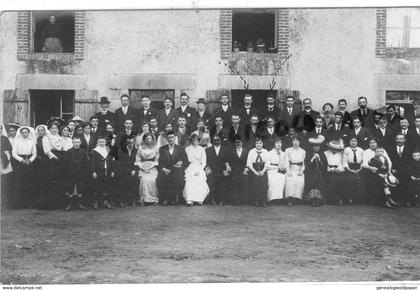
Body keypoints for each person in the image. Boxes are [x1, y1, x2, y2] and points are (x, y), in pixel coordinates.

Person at [157, 130, 189, 205]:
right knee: (161, 178)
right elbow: (160, 162)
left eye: (172, 137)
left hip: (176, 169)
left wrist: (181, 163)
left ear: (174, 138)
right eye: (169, 137)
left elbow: (185, 161)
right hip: (166, 169)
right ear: (166, 139)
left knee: (178, 178)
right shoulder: (162, 149)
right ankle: (165, 198)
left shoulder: (180, 148)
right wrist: (164, 169)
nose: (170, 139)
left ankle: (173, 198)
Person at [362, 138, 395, 207]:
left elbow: (389, 161)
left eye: (374, 142)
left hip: (384, 171)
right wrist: (371, 168)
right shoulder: (366, 152)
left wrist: (389, 171)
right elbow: (364, 164)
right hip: (372, 171)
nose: (372, 144)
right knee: (380, 182)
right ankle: (384, 201)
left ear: (377, 143)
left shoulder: (382, 150)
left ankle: (389, 199)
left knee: (390, 181)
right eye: (370, 143)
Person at [42, 122, 67, 209]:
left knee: (59, 179)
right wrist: (55, 157)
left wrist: (62, 158)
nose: (54, 130)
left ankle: (59, 203)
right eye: (52, 128)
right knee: (50, 179)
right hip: (50, 160)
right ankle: (50, 204)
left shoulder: (60, 138)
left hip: (60, 160)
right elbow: (47, 151)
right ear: (49, 129)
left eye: (56, 128)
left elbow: (63, 148)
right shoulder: (46, 137)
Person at [11, 126, 37, 208]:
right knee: (19, 182)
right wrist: (21, 160)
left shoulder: (32, 142)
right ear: (20, 133)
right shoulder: (17, 142)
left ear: (29, 133)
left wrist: (30, 160)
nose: (24, 134)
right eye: (23, 132)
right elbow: (14, 153)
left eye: (26, 132)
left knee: (29, 182)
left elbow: (34, 153)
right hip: (19, 163)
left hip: (29, 162)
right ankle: (19, 203)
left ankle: (29, 203)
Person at [63, 136, 89, 211]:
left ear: (80, 143)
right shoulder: (69, 151)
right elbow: (65, 162)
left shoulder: (83, 152)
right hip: (71, 173)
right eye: (75, 142)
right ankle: (70, 204)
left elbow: (86, 162)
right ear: (72, 142)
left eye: (78, 142)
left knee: (80, 187)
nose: (76, 144)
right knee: (70, 187)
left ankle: (80, 204)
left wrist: (84, 171)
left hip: (81, 173)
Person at [183, 133, 209, 205]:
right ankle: (190, 199)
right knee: (189, 180)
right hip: (190, 167)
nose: (195, 142)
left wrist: (199, 170)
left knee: (200, 179)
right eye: (193, 140)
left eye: (196, 140)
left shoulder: (201, 149)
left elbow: (204, 161)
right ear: (191, 140)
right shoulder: (187, 149)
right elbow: (185, 160)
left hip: (199, 167)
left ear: (198, 141)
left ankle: (199, 198)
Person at [90, 135, 115, 210]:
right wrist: (94, 171)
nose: (101, 143)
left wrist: (112, 171)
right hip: (98, 170)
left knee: (106, 185)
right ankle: (96, 202)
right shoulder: (95, 151)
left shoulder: (108, 149)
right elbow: (92, 162)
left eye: (103, 142)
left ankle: (105, 201)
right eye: (100, 142)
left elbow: (111, 161)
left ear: (105, 142)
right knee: (98, 185)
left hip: (107, 170)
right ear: (97, 142)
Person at [205, 135, 231, 205]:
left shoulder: (226, 150)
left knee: (224, 180)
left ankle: (221, 199)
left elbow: (228, 161)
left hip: (222, 170)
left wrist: (227, 168)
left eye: (218, 140)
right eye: (215, 140)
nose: (216, 141)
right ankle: (211, 199)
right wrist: (207, 167)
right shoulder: (207, 150)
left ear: (221, 141)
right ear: (212, 141)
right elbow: (205, 161)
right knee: (211, 179)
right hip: (212, 170)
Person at [388, 133, 412, 207]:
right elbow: (389, 160)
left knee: (406, 185)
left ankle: (407, 201)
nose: (399, 140)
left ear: (404, 140)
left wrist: (408, 171)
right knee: (396, 186)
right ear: (395, 140)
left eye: (401, 139)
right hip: (395, 171)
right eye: (398, 139)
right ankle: (397, 200)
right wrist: (392, 169)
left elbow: (411, 161)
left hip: (406, 171)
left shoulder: (409, 148)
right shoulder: (391, 148)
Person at [135, 133, 159, 205]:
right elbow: (138, 160)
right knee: (144, 179)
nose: (148, 140)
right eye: (146, 139)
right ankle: (144, 199)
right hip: (143, 166)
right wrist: (142, 167)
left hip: (152, 166)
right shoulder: (140, 148)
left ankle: (153, 199)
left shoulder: (156, 147)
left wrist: (151, 166)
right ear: (144, 140)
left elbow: (157, 160)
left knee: (152, 179)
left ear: (152, 139)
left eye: (150, 138)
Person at [115, 135, 139, 207]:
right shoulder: (121, 150)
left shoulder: (136, 151)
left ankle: (133, 199)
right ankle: (122, 200)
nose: (130, 144)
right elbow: (119, 162)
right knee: (121, 180)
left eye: (132, 143)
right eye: (129, 143)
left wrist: (134, 170)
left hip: (133, 170)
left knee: (135, 179)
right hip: (123, 170)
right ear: (126, 143)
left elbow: (138, 162)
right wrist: (128, 171)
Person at [304, 135, 327, 207]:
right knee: (313, 178)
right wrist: (312, 159)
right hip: (310, 173)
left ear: (320, 147)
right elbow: (306, 165)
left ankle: (318, 198)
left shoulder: (322, 154)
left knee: (318, 177)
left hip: (320, 173)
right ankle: (312, 198)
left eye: (317, 146)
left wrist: (319, 160)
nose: (316, 148)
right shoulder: (309, 153)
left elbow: (325, 165)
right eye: (314, 146)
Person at [246, 138, 269, 207]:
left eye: (260, 143)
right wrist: (255, 172)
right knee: (255, 185)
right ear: (255, 144)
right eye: (257, 143)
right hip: (254, 169)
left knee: (263, 185)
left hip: (263, 169)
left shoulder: (265, 151)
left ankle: (263, 201)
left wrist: (263, 171)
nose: (258, 145)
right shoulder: (251, 151)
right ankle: (256, 201)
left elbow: (267, 163)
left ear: (262, 144)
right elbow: (249, 164)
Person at [284, 135, 306, 206]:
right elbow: (286, 162)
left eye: (297, 140)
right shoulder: (288, 150)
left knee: (300, 180)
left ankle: (298, 198)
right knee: (290, 179)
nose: (295, 142)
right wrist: (288, 171)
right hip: (291, 169)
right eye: (294, 140)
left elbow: (303, 164)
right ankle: (290, 199)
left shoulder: (303, 151)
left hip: (299, 170)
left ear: (300, 142)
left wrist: (301, 171)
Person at [343, 136, 364, 205]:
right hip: (349, 168)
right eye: (351, 141)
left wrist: (359, 169)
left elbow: (363, 161)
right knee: (350, 180)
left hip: (359, 168)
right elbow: (345, 162)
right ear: (349, 142)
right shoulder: (346, 150)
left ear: (357, 142)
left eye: (355, 141)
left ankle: (357, 199)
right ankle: (350, 198)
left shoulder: (361, 150)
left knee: (360, 180)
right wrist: (350, 170)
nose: (353, 142)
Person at [228, 135, 249, 205]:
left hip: (244, 171)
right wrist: (230, 168)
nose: (238, 144)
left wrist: (246, 168)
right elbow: (230, 161)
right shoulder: (232, 151)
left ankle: (244, 201)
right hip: (235, 170)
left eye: (239, 142)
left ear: (242, 143)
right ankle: (235, 201)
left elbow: (248, 161)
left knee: (244, 186)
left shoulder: (246, 151)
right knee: (235, 186)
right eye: (236, 142)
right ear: (234, 143)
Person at [324, 139, 346, 205]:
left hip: (338, 171)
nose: (334, 150)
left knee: (338, 181)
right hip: (328, 171)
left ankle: (337, 199)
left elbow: (343, 163)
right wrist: (329, 169)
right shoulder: (326, 153)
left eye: (335, 149)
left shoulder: (341, 154)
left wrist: (339, 169)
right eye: (332, 148)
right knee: (329, 182)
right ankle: (329, 200)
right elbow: (325, 163)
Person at [266, 137, 286, 203]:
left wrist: (283, 167)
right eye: (277, 143)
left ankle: (280, 199)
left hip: (281, 170)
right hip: (272, 170)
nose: (278, 144)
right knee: (273, 179)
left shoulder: (283, 153)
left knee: (282, 178)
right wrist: (277, 167)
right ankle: (271, 198)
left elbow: (286, 164)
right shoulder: (269, 153)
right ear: (274, 144)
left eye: (280, 143)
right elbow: (267, 166)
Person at [1, 124, 13, 207]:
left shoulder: (5, 139)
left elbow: (9, 149)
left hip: (2, 160)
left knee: (3, 180)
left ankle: (3, 201)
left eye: (0, 128)